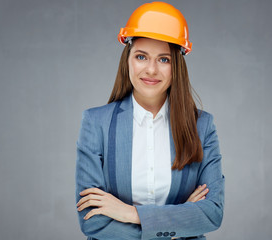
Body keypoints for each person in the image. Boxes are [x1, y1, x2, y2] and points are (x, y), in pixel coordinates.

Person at [75, 2, 224, 239]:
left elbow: (212, 213)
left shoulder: (202, 126)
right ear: (128, 60)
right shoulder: (96, 123)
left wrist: (131, 213)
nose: (151, 70)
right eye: (141, 56)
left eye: (164, 59)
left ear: (177, 66)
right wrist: (179, 222)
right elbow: (93, 222)